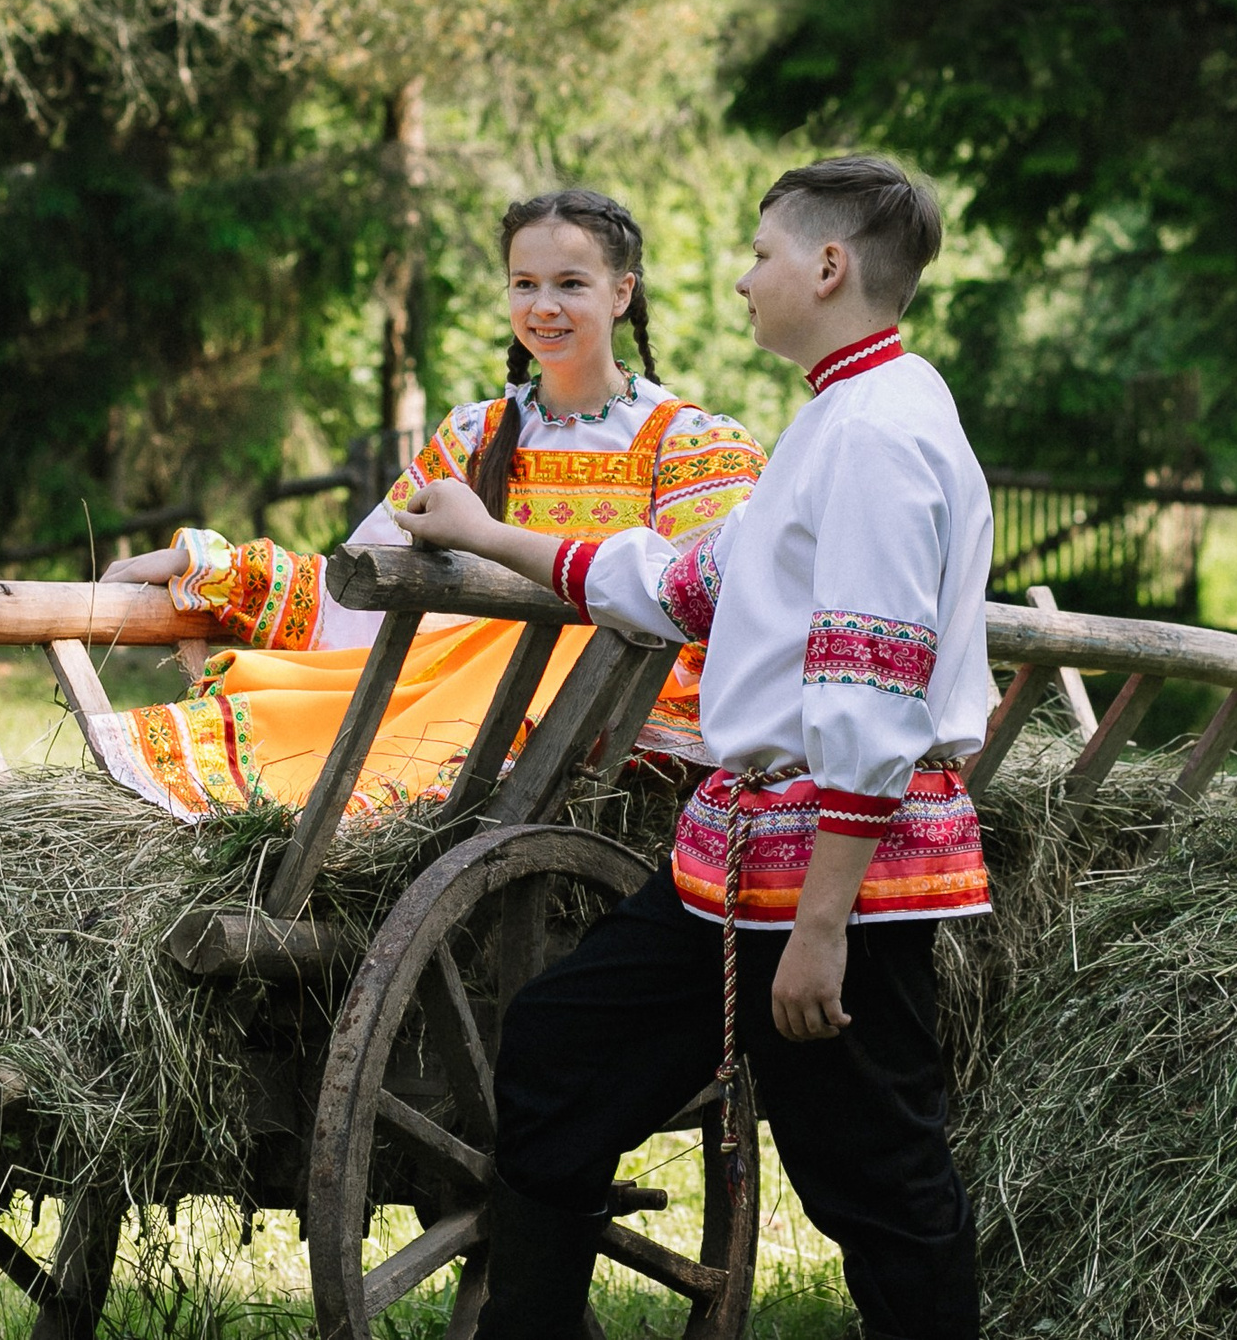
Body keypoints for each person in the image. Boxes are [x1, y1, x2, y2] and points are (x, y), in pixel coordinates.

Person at [391, 154, 992, 1340]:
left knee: (878, 1184)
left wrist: (820, 931)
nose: (740, 279)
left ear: (827, 267)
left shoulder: (878, 434)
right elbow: (687, 583)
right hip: (742, 861)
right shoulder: (838, 415)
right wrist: (495, 535)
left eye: (761, 255)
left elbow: (870, 699)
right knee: (561, 1051)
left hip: (836, 878)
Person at [91, 188, 766, 822]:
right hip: (452, 696)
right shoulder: (473, 436)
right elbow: (362, 589)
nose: (543, 306)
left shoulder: (687, 445)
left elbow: (714, 614)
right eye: (524, 284)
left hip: (593, 733)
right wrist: (211, 566)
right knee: (309, 714)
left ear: (622, 293)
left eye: (570, 284)